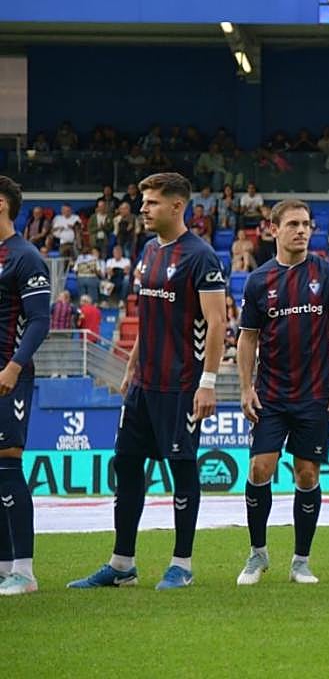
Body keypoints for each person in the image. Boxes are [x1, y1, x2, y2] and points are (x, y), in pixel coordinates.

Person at [69, 172, 226, 591]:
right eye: (143, 202)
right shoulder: (149, 252)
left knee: (182, 467)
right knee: (125, 463)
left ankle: (182, 564)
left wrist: (207, 382)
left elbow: (217, 323)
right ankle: (122, 564)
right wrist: (131, 365)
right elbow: (149, 317)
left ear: (178, 206)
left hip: (182, 386)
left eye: (152, 202)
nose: (142, 208)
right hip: (145, 385)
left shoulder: (201, 256)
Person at [234, 200, 329, 587]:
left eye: (306, 224)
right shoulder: (258, 281)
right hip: (271, 393)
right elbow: (247, 339)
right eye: (293, 224)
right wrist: (245, 387)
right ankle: (257, 554)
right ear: (274, 230)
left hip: (315, 394)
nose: (301, 230)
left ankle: (301, 561)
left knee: (306, 475)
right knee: (259, 468)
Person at [0, 177, 51, 595]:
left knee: (7, 463)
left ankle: (25, 570)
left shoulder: (25, 257)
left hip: (7, 374)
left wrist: (14, 368)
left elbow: (39, 320)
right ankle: (3, 566)